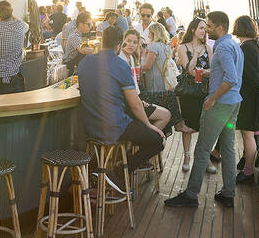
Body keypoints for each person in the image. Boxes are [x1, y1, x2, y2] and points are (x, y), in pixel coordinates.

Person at [165, 11, 243, 209]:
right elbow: (229, 74)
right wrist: (208, 72)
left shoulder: (223, 48)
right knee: (227, 148)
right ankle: (228, 193)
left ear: (219, 27)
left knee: (202, 149)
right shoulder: (234, 45)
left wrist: (212, 99)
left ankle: (191, 195)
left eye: (209, 26)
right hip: (234, 103)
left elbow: (231, 78)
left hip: (219, 105)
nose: (206, 29)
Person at [78, 26, 165, 191]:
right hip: (114, 127)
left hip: (90, 127)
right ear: (119, 45)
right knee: (158, 141)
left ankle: (108, 171)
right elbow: (135, 104)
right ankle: (117, 172)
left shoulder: (85, 62)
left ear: (102, 41)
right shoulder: (120, 65)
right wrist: (149, 125)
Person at [231, 16, 259, 183]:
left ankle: (248, 171)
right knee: (247, 132)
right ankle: (247, 164)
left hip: (249, 95)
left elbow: (254, 72)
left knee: (247, 134)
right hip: (253, 95)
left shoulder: (246, 48)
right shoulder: (255, 45)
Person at [176, 18, 212, 172]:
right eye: (201, 28)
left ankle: (206, 158)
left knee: (205, 127)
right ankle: (187, 156)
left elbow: (214, 70)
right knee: (188, 127)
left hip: (204, 91)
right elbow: (189, 71)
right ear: (193, 30)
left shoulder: (208, 48)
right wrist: (196, 55)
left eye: (205, 28)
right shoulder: (182, 48)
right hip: (189, 93)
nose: (204, 31)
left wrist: (204, 72)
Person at [119, 29, 170, 130]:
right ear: (123, 41)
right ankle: (149, 138)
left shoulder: (131, 58)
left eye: (134, 42)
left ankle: (147, 138)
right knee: (165, 115)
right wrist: (138, 101)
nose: (131, 45)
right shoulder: (120, 58)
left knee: (167, 110)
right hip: (126, 103)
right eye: (128, 41)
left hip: (134, 100)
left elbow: (134, 84)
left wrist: (139, 100)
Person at [140, 21, 184, 133]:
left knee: (155, 114)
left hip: (154, 85)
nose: (148, 35)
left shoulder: (153, 47)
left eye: (150, 33)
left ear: (154, 33)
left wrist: (136, 67)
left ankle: (152, 138)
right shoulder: (166, 47)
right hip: (164, 84)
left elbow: (147, 66)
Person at [0, 0, 28, 95]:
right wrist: (11, 16)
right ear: (11, 12)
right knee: (15, 106)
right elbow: (26, 25)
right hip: (16, 75)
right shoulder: (21, 26)